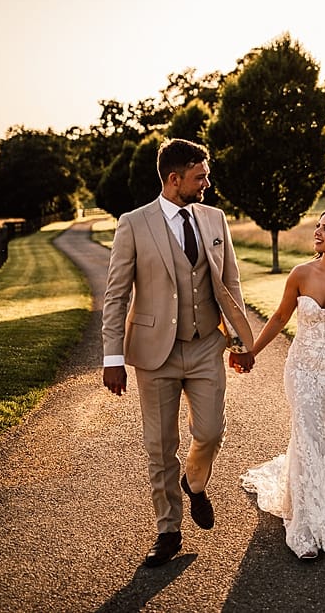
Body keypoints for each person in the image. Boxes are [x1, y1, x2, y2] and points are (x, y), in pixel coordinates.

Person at [101, 138, 255, 568]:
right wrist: (113, 358)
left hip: (207, 343)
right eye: (200, 176)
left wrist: (241, 340)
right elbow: (115, 296)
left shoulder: (214, 218)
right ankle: (168, 530)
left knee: (211, 431)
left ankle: (195, 479)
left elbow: (231, 282)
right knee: (160, 444)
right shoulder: (133, 224)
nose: (207, 182)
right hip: (155, 354)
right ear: (174, 179)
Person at [240, 207, 325, 559]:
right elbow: (279, 316)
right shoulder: (301, 273)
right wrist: (252, 350)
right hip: (301, 369)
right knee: (309, 432)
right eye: (317, 227)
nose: (317, 233)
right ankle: (308, 526)